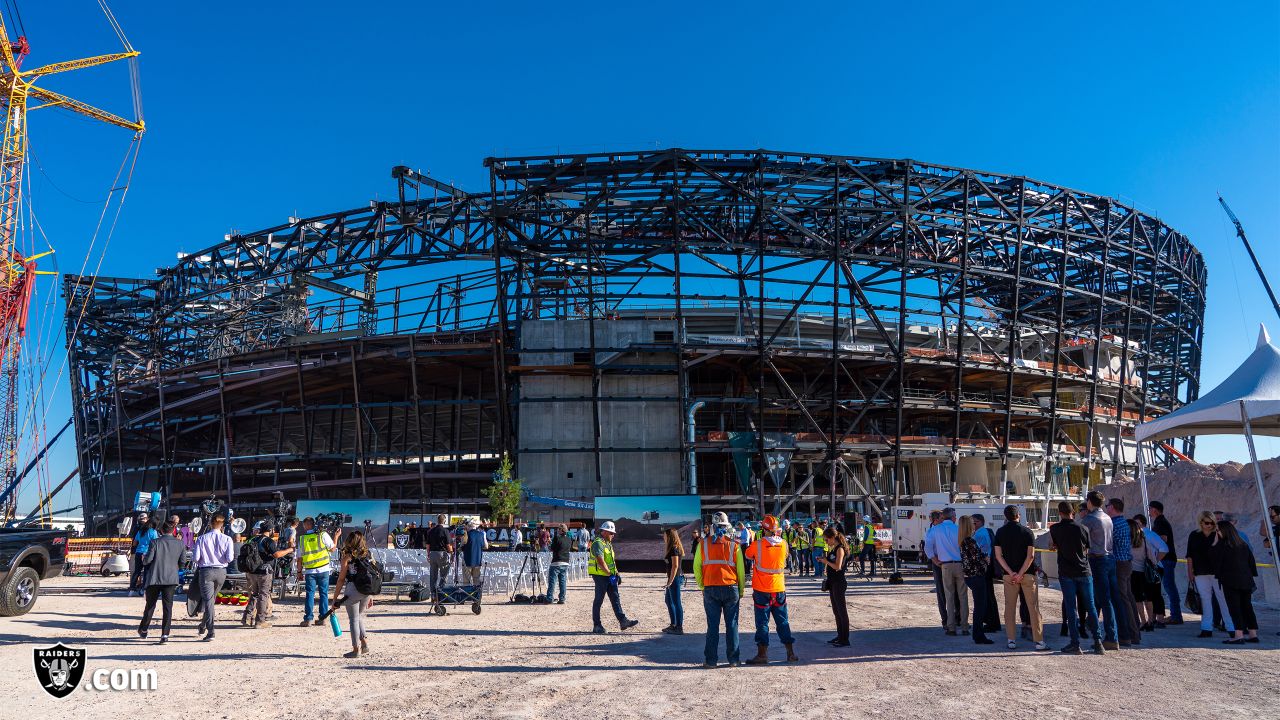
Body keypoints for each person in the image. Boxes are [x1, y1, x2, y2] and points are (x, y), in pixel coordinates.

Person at [1048, 502, 1103, 654]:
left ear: (1060, 513)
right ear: (1074, 512)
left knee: (1071, 608)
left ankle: (1074, 643)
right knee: (1090, 607)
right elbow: (1086, 549)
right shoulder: (1083, 528)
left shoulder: (1055, 529)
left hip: (1066, 572)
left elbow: (1052, 545)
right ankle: (1098, 642)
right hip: (1084, 570)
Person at [694, 512, 747, 667]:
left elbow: (697, 568)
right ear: (727, 526)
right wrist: (741, 590)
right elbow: (741, 572)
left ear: (713, 526)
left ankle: (711, 661)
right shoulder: (734, 545)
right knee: (732, 625)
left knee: (712, 626)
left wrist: (702, 586)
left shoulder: (702, 544)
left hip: (710, 588)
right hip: (731, 589)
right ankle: (734, 660)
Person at [743, 516, 797, 664]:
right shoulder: (784, 544)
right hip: (779, 589)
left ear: (764, 529)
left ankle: (762, 655)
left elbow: (747, 555)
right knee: (783, 621)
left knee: (762, 623)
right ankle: (790, 653)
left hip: (762, 589)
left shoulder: (757, 544)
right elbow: (784, 556)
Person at [993, 505, 1048, 651]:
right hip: (1027, 574)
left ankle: (1011, 639)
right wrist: (1021, 573)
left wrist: (1011, 573)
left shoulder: (1000, 532)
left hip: (1009, 576)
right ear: (1019, 516)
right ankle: (1039, 641)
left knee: (1009, 608)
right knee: (1033, 608)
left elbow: (998, 556)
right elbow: (1030, 556)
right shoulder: (1027, 531)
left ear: (1005, 516)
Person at [1081, 490, 1126, 650]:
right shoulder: (1107, 517)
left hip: (1097, 560)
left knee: (1103, 600)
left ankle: (1111, 637)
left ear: (1090, 502)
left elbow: (1081, 540)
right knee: (1110, 599)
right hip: (1110, 559)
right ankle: (1117, 635)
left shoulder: (1089, 519)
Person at [1187, 509, 1234, 638]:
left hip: (1217, 572)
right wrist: (1190, 573)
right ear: (1200, 522)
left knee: (1222, 599)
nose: (1210, 525)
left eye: (1212, 523)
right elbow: (1189, 555)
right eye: (1207, 523)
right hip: (1200, 572)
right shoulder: (1194, 535)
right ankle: (1206, 628)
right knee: (1205, 599)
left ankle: (1231, 627)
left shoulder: (1218, 534)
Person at [1213, 520, 1260, 644]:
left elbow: (1214, 560)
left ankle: (1238, 635)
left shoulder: (1222, 546)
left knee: (1235, 608)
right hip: (1246, 580)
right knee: (1247, 607)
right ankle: (1253, 634)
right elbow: (1251, 563)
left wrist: (1216, 542)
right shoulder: (1243, 545)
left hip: (1230, 581)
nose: (1216, 533)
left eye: (1217, 530)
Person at [137, 518, 184, 644]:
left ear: (161, 530)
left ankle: (144, 629)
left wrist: (143, 559)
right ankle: (165, 635)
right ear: (173, 530)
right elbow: (183, 562)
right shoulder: (180, 544)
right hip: (170, 579)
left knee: (150, 605)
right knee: (168, 607)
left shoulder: (155, 542)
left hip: (155, 578)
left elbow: (147, 560)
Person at [589, 521, 638, 634]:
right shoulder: (598, 543)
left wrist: (616, 573)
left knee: (615, 598)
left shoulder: (607, 543)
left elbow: (611, 561)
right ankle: (597, 625)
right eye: (611, 533)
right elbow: (600, 561)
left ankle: (623, 621)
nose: (613, 535)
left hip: (609, 575)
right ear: (605, 531)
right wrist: (609, 574)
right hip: (600, 576)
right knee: (598, 600)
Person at [925, 507, 968, 636]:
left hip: (945, 566)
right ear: (953, 517)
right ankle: (965, 627)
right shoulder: (959, 529)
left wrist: (934, 560)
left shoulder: (935, 530)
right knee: (963, 596)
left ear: (943, 517)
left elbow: (927, 546)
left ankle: (951, 627)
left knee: (948, 596)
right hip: (960, 565)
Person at [241, 520, 291, 628]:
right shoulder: (268, 541)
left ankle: (247, 617)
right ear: (270, 530)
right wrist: (289, 550)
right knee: (263, 595)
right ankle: (260, 620)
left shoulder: (253, 539)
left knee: (254, 594)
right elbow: (277, 554)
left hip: (252, 572)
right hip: (264, 572)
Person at [332, 531, 374, 658]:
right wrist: (371, 594)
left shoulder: (347, 557)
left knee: (353, 619)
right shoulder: (369, 554)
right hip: (366, 590)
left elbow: (341, 579)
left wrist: (335, 599)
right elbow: (372, 575)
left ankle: (356, 649)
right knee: (360, 616)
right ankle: (364, 643)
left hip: (353, 589)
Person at [193, 515, 234, 641]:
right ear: (222, 525)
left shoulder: (201, 538)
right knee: (211, 600)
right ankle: (203, 625)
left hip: (206, 571)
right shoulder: (227, 539)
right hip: (221, 572)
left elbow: (195, 558)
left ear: (210, 524)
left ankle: (211, 631)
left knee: (209, 601)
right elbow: (230, 558)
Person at [1105, 498, 1141, 646]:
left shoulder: (1113, 524)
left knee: (1123, 600)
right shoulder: (1124, 522)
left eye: (1107, 506)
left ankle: (1131, 633)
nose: (1106, 508)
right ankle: (1135, 631)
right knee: (1128, 597)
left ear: (1112, 507)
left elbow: (1108, 544)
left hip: (1119, 564)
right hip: (1126, 562)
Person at [296, 516, 340, 627]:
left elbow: (299, 558)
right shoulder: (322, 535)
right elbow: (333, 548)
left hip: (310, 571)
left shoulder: (302, 539)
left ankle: (308, 619)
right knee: (323, 594)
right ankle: (323, 618)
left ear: (306, 526)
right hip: (324, 569)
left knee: (310, 594)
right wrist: (336, 536)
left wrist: (299, 572)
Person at [958, 515, 993, 645]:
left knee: (979, 606)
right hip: (976, 576)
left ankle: (977, 634)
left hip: (969, 576)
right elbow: (976, 560)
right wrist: (986, 561)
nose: (974, 525)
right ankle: (978, 635)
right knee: (980, 607)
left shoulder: (963, 541)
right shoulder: (970, 541)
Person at [1147, 501, 1182, 625]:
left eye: (1150, 508)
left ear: (1155, 510)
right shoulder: (1160, 521)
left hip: (1166, 559)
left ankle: (1176, 616)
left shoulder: (1160, 522)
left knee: (1169, 587)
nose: (1149, 511)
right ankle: (1175, 615)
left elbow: (1163, 539)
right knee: (1168, 586)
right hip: (1166, 558)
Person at [1129, 516, 1165, 633]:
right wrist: (1155, 565)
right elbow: (1152, 557)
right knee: (1148, 598)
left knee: (1137, 599)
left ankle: (1143, 621)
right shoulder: (1144, 540)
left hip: (1133, 573)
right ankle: (1150, 621)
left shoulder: (1127, 542)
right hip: (1145, 573)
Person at [817, 525, 851, 647]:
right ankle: (840, 635)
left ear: (833, 538)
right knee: (836, 611)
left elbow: (838, 567)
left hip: (839, 582)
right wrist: (823, 560)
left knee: (842, 612)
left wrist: (826, 562)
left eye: (827, 540)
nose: (826, 542)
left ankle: (845, 639)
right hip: (832, 583)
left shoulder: (840, 549)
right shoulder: (834, 548)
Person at [971, 513, 1001, 634]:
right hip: (986, 568)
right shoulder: (983, 532)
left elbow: (980, 552)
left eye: (975, 522)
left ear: (981, 522)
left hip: (984, 568)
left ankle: (991, 623)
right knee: (989, 596)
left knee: (986, 596)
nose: (973, 525)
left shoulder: (980, 534)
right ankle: (993, 622)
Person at [661, 528, 685, 635]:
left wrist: (670, 582)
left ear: (670, 536)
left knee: (676, 602)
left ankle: (678, 627)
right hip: (672, 578)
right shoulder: (672, 547)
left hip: (674, 578)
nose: (663, 537)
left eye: (665, 535)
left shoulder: (674, 548)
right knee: (669, 601)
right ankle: (673, 625)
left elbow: (675, 566)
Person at [425, 514, 454, 603]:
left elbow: (427, 545)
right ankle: (440, 594)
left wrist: (428, 554)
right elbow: (448, 545)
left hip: (432, 554)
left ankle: (433, 595)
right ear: (444, 521)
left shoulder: (431, 531)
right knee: (443, 575)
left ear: (437, 521)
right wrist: (452, 553)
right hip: (442, 554)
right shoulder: (445, 531)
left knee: (433, 576)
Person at [128, 513, 158, 596]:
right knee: (146, 572)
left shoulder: (140, 531)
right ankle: (144, 589)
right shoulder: (153, 532)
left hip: (138, 552)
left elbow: (134, 543)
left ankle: (132, 589)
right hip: (148, 553)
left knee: (137, 571)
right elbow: (156, 543)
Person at [546, 523, 572, 604]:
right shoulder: (569, 539)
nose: (557, 530)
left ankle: (550, 598)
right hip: (565, 562)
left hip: (557, 561)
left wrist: (549, 543)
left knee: (552, 581)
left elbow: (552, 548)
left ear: (561, 530)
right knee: (563, 581)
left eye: (558, 529)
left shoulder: (557, 538)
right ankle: (562, 599)